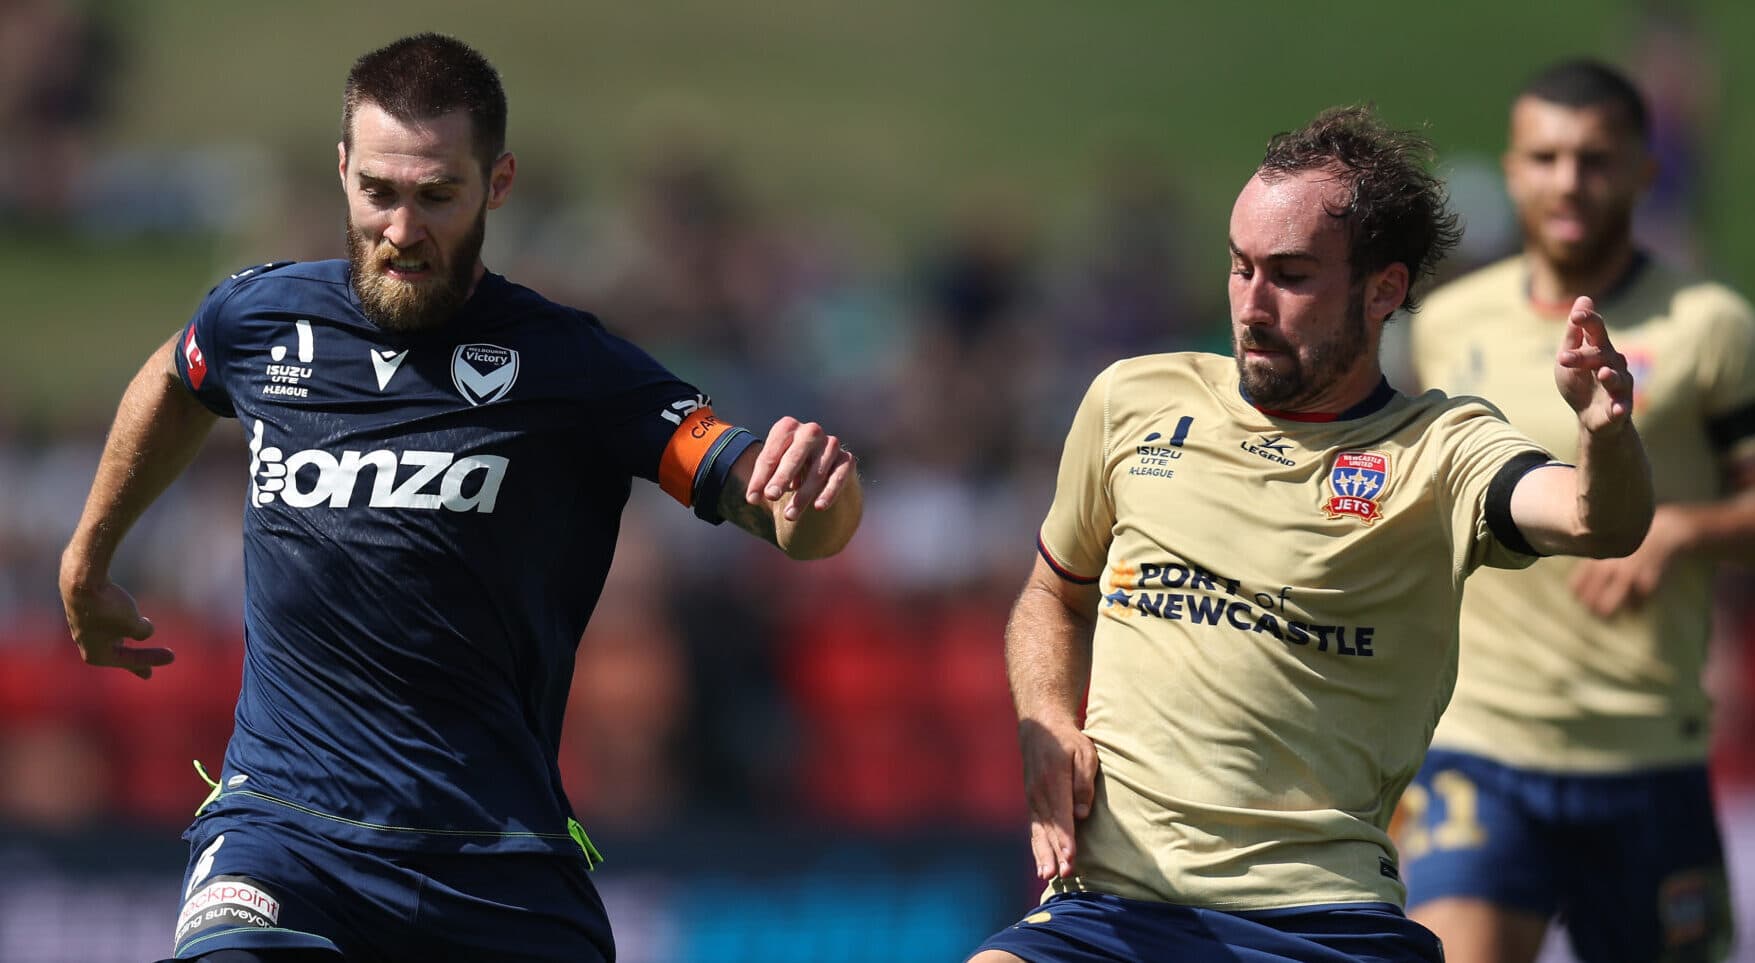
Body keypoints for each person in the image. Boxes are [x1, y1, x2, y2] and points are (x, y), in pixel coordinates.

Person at [57, 33, 861, 963]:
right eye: (379, 192)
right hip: (283, 832)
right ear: (343, 170)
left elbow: (767, 497)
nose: (402, 229)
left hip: (495, 857)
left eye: (437, 196)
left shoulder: (573, 365)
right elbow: (177, 374)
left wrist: (815, 505)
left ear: (497, 183)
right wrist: (90, 555)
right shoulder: (263, 319)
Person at [967, 104, 1654, 963]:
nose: (1252, 305)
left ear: (1383, 291)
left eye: (1289, 276)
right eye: (1239, 267)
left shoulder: (1439, 448)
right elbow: (1053, 596)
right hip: (1106, 912)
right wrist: (1043, 718)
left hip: (1320, 924)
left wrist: (1602, 433)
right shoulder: (1131, 399)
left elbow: (1598, 519)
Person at [1400, 59, 1753, 963]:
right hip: (1479, 742)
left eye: (1594, 159)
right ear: (1511, 168)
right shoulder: (1445, 323)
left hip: (1646, 748)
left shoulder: (1708, 325)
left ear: (1644, 170)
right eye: (1544, 157)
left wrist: (1680, 529)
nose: (1567, 181)